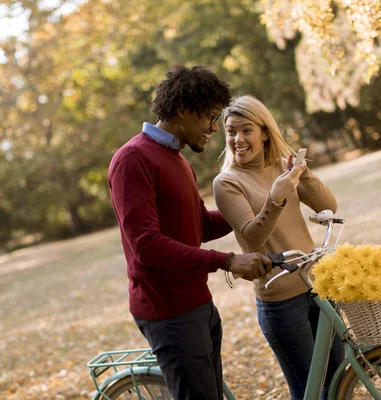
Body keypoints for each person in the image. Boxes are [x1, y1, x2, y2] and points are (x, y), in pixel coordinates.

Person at [107, 66, 273, 400]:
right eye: (210, 117)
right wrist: (227, 261)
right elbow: (147, 246)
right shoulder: (133, 159)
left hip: (198, 305)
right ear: (182, 111)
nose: (215, 128)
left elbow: (202, 225)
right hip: (168, 312)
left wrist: (260, 201)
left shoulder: (178, 159)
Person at [212, 95, 345, 400]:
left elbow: (328, 206)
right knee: (308, 392)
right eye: (231, 131)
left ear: (265, 132)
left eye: (246, 130)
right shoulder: (227, 182)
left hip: (317, 286)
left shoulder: (279, 168)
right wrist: (276, 198)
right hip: (280, 302)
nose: (237, 139)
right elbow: (252, 238)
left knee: (337, 380)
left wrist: (304, 173)